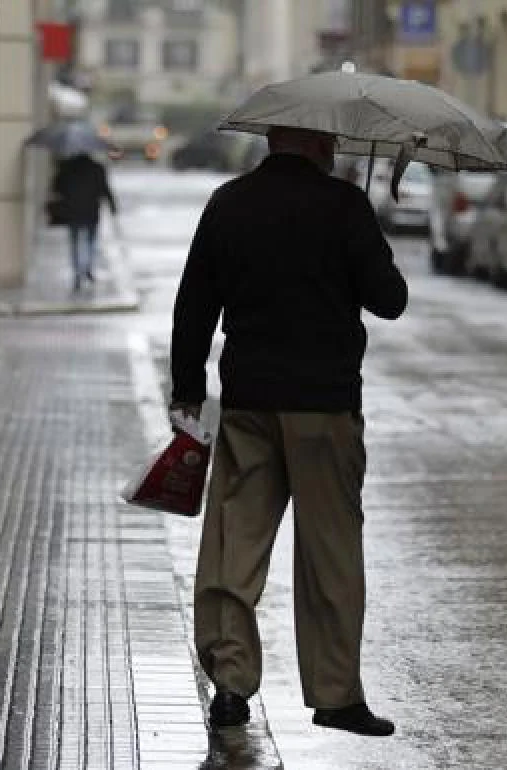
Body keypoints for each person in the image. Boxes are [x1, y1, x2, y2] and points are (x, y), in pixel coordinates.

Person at [168, 126, 408, 737]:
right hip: (324, 408)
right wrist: (369, 234)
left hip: (250, 401)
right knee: (330, 552)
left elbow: (194, 303)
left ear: (274, 139)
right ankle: (335, 696)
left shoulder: (230, 202)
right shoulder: (344, 206)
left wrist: (189, 388)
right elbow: (389, 300)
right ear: (320, 143)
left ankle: (229, 684)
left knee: (233, 544)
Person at [52, 152, 118, 291]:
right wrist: (112, 206)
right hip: (91, 211)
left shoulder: (66, 168)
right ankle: (87, 268)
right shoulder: (97, 168)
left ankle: (77, 272)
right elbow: (104, 189)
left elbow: (56, 188)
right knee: (90, 241)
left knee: (75, 243)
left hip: (72, 211)